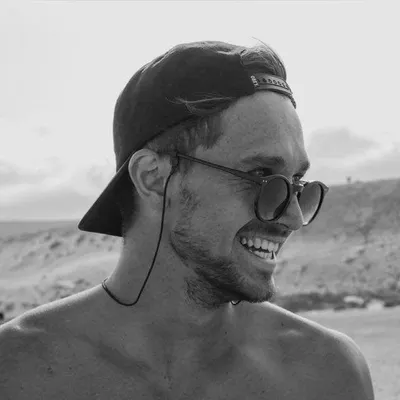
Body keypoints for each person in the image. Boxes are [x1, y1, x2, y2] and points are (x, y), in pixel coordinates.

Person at [0, 41, 374, 399]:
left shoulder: (326, 372)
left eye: (298, 185)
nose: (293, 217)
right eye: (262, 176)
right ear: (152, 177)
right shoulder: (17, 371)